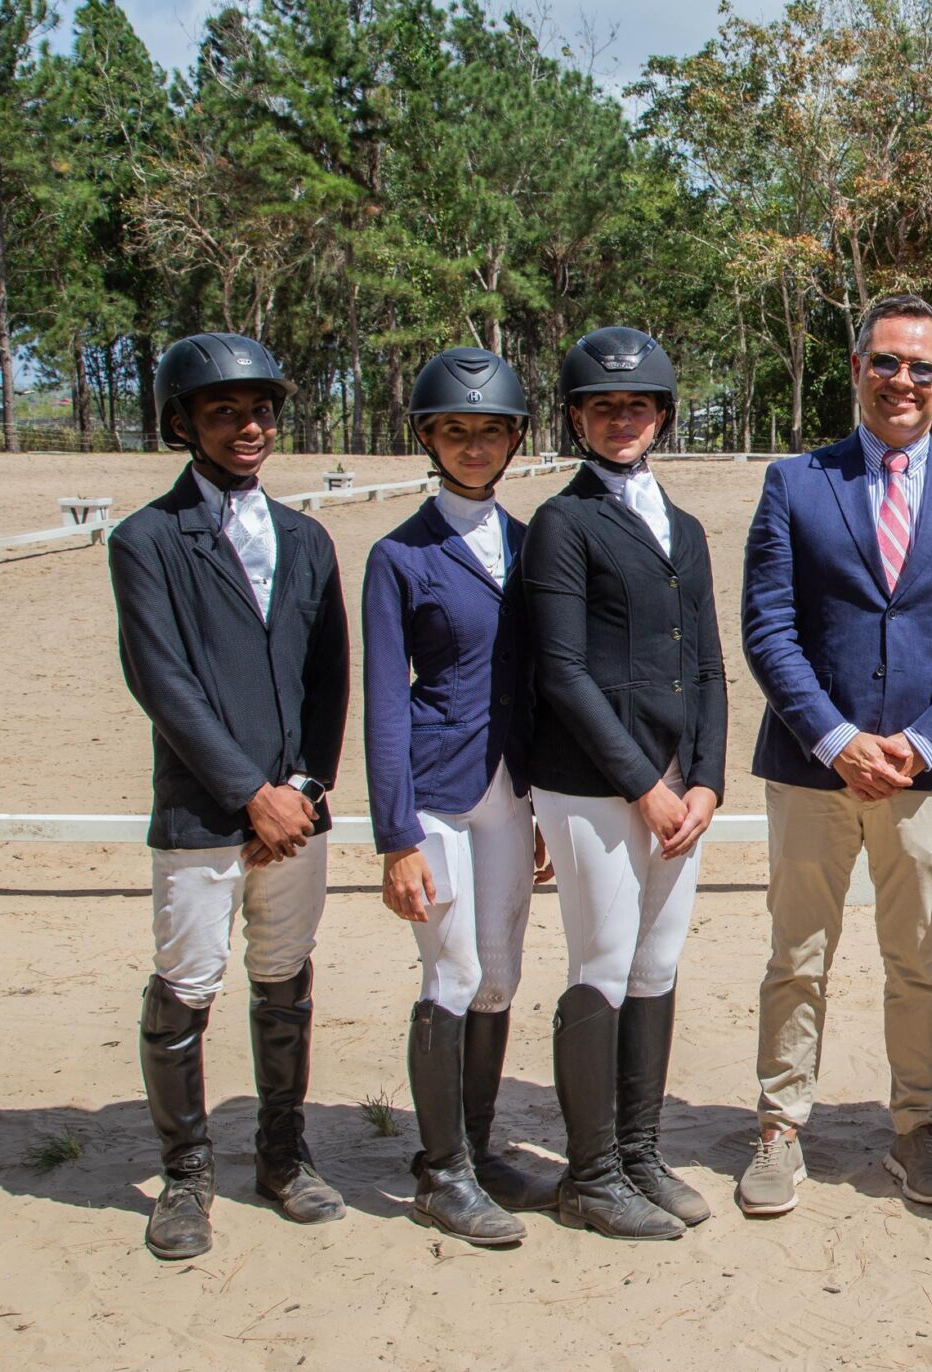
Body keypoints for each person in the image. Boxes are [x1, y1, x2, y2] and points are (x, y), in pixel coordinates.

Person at [738, 294, 932, 1216]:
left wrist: (922, 741)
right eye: (886, 362)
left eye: (921, 367)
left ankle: (917, 1125)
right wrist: (836, 738)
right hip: (810, 765)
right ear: (857, 367)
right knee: (797, 955)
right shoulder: (795, 482)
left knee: (918, 962)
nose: (903, 380)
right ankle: (781, 1125)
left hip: (926, 774)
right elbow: (768, 628)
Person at [108, 332, 349, 1259]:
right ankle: (185, 1174)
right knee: (188, 980)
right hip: (205, 809)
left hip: (294, 811)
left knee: (284, 976)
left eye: (259, 412)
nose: (248, 428)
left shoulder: (307, 539)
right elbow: (162, 681)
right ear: (182, 424)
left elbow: (328, 676)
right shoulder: (145, 540)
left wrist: (303, 786)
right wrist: (249, 793)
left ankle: (282, 1154)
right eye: (223, 413)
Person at [523, 327, 727, 1241]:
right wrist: (645, 784)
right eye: (603, 408)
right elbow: (562, 672)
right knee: (602, 964)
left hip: (676, 785)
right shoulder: (562, 525)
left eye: (636, 406)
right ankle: (591, 1172)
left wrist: (706, 781)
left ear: (661, 417)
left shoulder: (684, 529)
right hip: (594, 785)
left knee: (656, 965)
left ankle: (640, 1151)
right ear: (577, 419)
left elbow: (710, 666)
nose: (620, 420)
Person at [363, 347, 560, 1247]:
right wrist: (395, 835)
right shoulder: (399, 556)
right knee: (452, 972)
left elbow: (545, 682)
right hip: (437, 790)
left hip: (510, 790)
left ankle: (476, 1152)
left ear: (514, 439)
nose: (473, 446)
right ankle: (440, 1173)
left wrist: (544, 802)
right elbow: (384, 701)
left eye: (489, 431)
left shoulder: (532, 544)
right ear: (429, 438)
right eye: (455, 431)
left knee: (501, 974)